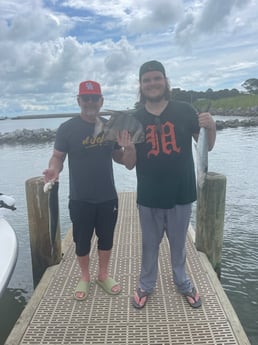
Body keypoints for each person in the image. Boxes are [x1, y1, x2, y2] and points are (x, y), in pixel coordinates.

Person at [117, 60, 216, 309]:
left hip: (181, 194)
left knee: (179, 245)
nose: (152, 83)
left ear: (165, 81)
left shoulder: (184, 109)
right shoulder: (134, 118)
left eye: (156, 78)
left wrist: (211, 124)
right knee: (149, 246)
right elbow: (129, 164)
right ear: (141, 85)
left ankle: (182, 281)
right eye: (146, 79)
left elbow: (207, 145)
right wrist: (127, 148)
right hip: (149, 196)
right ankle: (146, 284)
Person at [43, 80, 125, 301]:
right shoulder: (67, 128)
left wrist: (128, 147)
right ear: (79, 100)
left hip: (108, 196)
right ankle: (85, 277)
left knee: (106, 238)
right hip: (80, 197)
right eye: (85, 98)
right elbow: (58, 157)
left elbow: (118, 157)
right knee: (82, 240)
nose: (90, 102)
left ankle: (103, 274)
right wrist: (53, 169)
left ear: (101, 101)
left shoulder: (110, 126)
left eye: (94, 98)